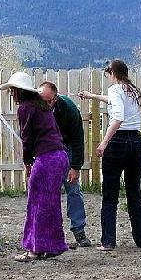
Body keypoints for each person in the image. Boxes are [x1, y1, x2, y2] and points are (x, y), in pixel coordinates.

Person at [78, 59, 141, 251]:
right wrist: (91, 96)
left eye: (108, 72)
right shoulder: (132, 90)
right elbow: (112, 100)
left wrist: (104, 142)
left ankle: (108, 241)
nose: (107, 76)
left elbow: (118, 116)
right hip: (136, 142)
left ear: (113, 73)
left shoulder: (115, 89)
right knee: (134, 193)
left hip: (117, 142)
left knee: (110, 194)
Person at [0, 72, 69, 262]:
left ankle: (34, 249)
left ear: (18, 91)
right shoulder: (41, 105)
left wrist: (27, 161)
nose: (12, 94)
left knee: (36, 203)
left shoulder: (25, 107)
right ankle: (52, 245)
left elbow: (27, 137)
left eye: (13, 90)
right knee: (50, 203)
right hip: (59, 155)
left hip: (46, 158)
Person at [39, 81, 91, 247]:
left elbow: (77, 138)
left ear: (55, 98)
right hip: (46, 149)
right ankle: (49, 233)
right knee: (47, 192)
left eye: (49, 101)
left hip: (66, 147)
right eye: (42, 100)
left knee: (73, 189)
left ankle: (79, 230)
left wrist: (75, 167)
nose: (45, 105)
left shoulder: (68, 108)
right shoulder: (35, 108)